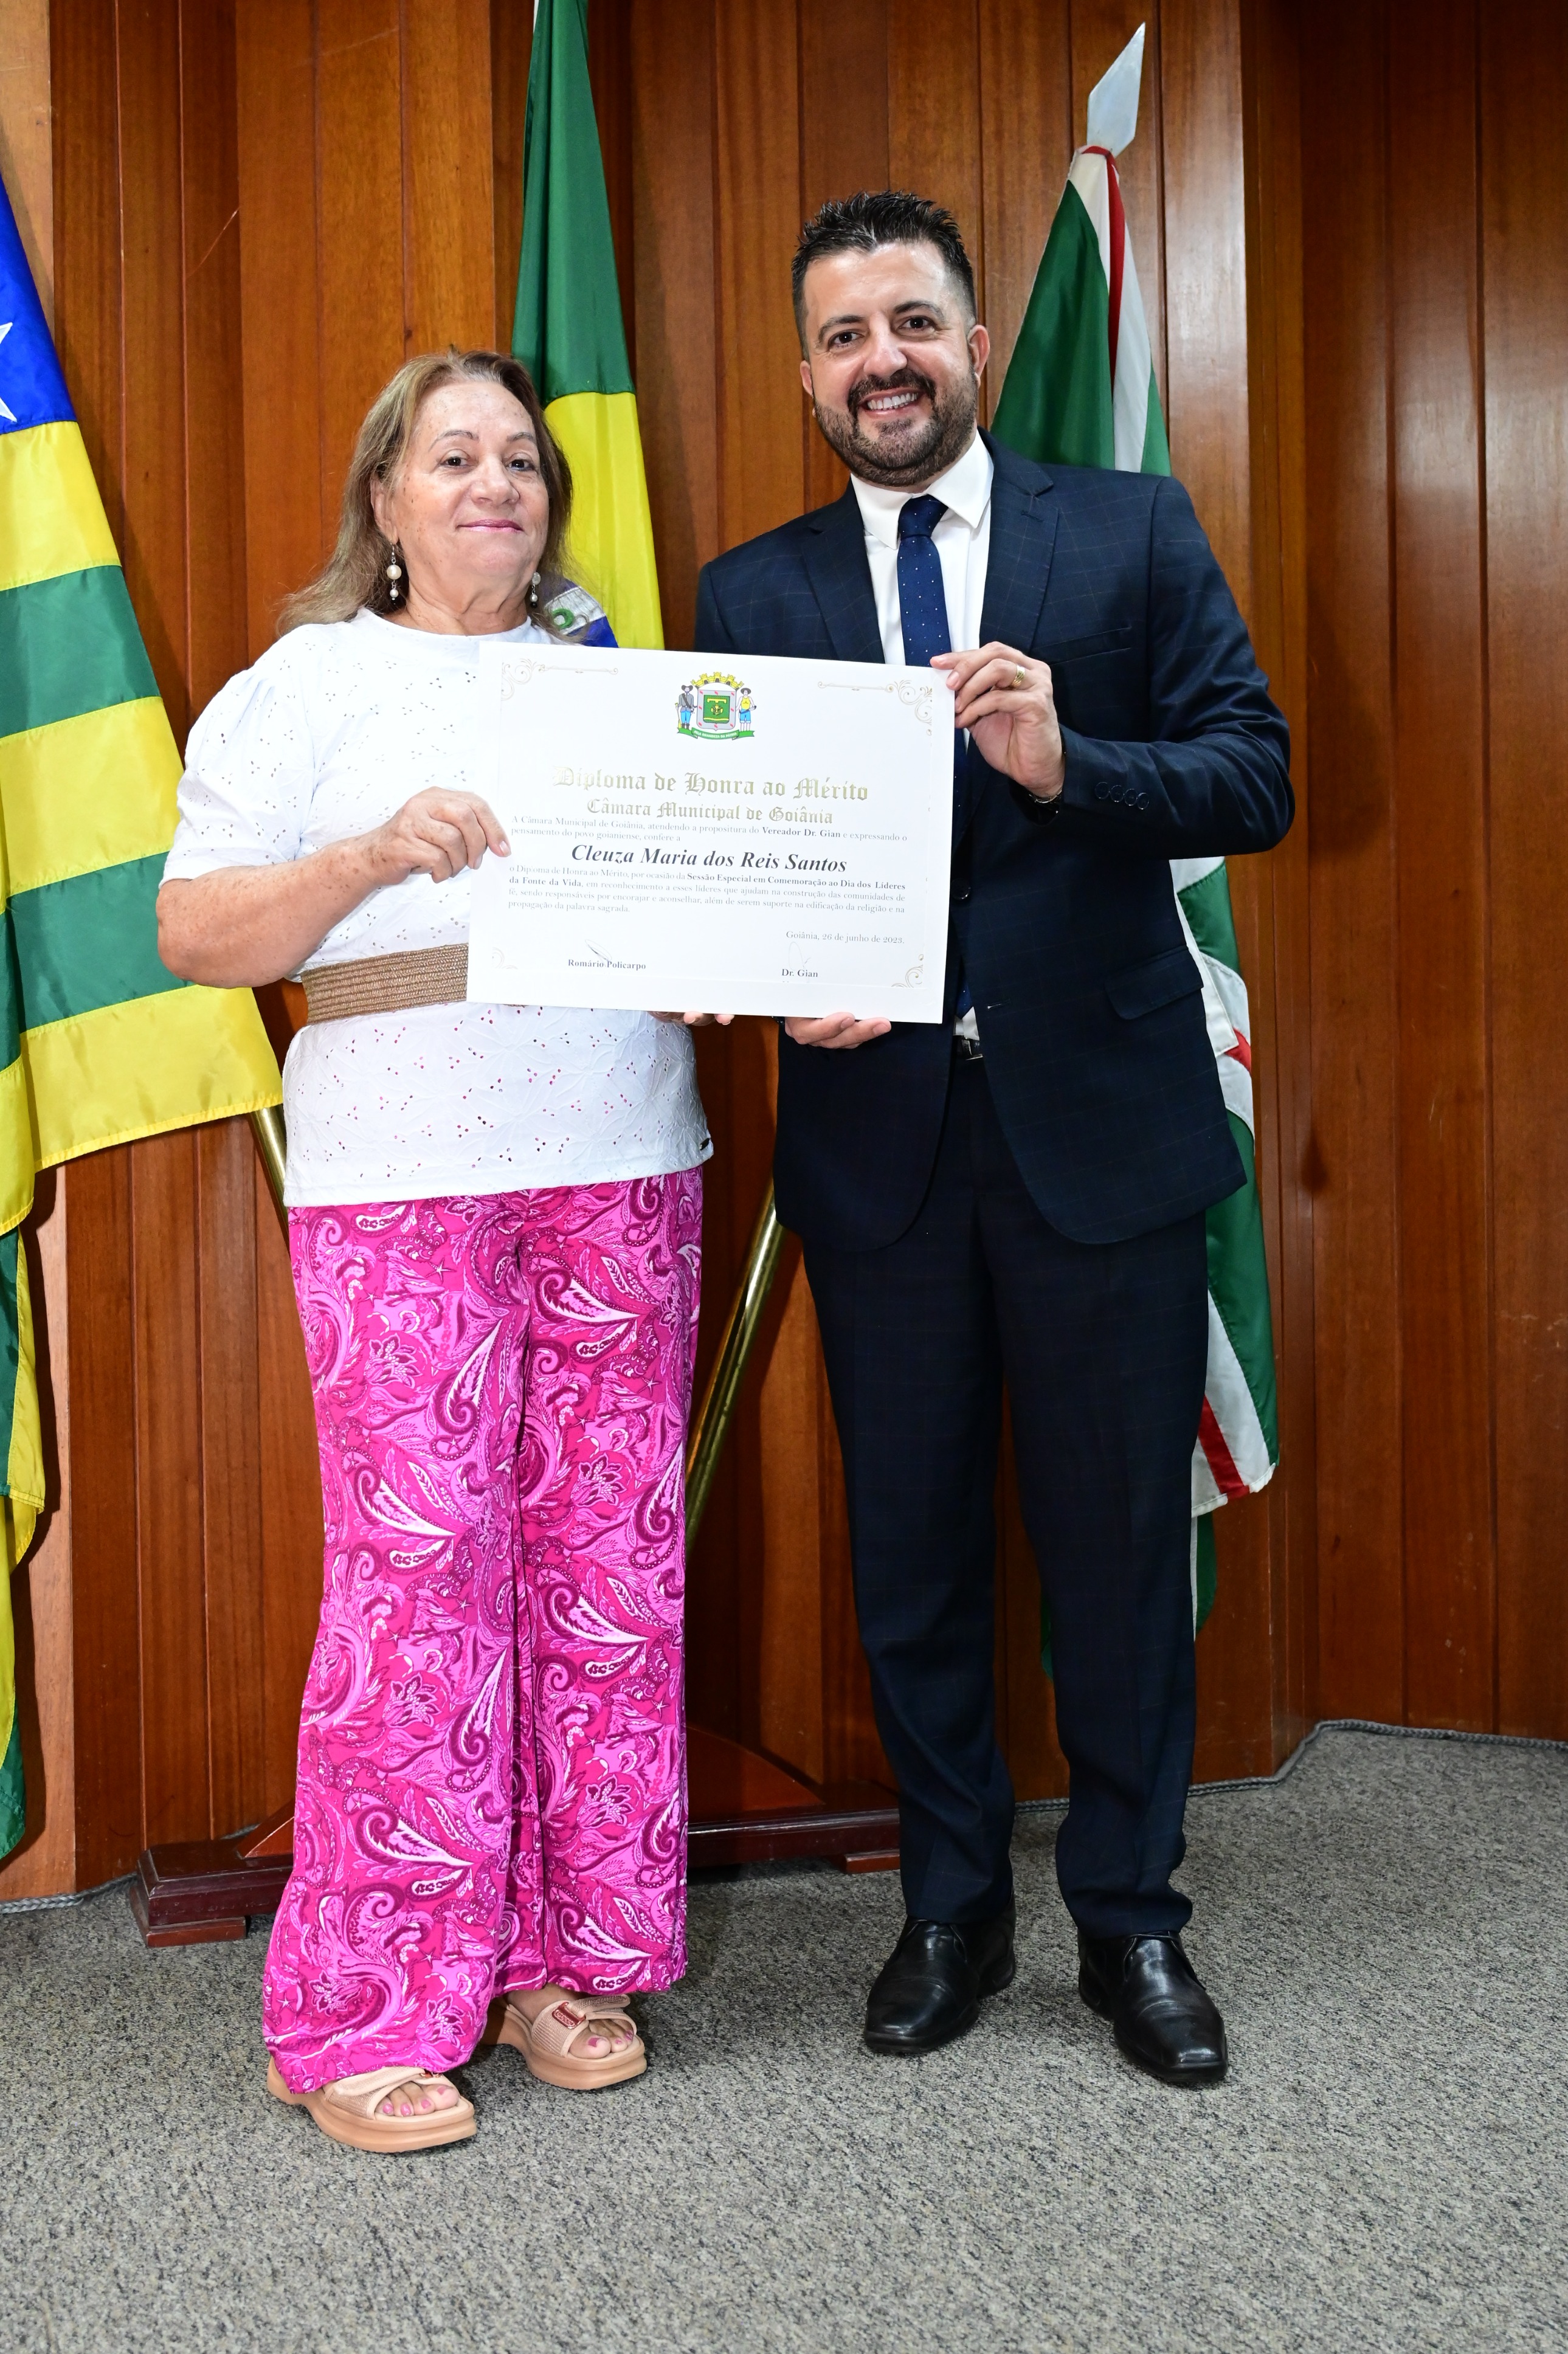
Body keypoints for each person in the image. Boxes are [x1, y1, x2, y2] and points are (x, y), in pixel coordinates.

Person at [694, 193, 1293, 2085]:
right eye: (842, 334)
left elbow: (1253, 772)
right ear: (807, 377)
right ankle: (949, 1905)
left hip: (1099, 1133)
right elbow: (729, 861)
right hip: (879, 1149)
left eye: (910, 322)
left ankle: (1131, 1921)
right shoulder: (750, 593)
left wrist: (1069, 761)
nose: (880, 360)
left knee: (1114, 1549)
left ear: (967, 345)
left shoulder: (1126, 530)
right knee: (915, 1552)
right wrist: (771, 975)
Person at [157, 347, 712, 2152]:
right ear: (385, 499)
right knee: (419, 1590)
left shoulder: (615, 681)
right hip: (402, 1177)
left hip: (624, 1159)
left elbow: (696, 902)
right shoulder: (306, 683)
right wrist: (368, 855)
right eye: (454, 456)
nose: (496, 485)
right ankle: (364, 2014)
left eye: (522, 460)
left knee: (609, 1579)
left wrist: (740, 962)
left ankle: (570, 1961)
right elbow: (196, 934)